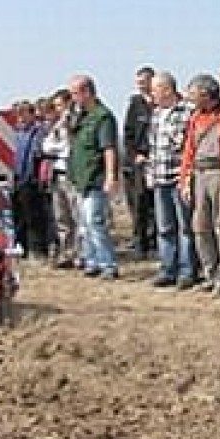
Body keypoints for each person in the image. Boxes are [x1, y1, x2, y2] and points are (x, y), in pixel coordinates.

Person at [179, 74, 220, 296]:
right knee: (201, 227)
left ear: (206, 95)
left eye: (193, 94)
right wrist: (185, 180)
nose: (190, 98)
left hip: (219, 173)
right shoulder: (196, 118)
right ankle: (210, 272)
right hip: (199, 174)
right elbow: (189, 150)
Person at [68, 75, 120, 279]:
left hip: (95, 177)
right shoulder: (81, 117)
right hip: (81, 178)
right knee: (84, 223)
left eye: (75, 93)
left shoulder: (102, 117)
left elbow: (108, 148)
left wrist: (110, 175)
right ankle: (92, 261)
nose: (73, 98)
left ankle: (108, 263)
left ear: (86, 92)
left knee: (95, 221)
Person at [147, 71, 195, 289]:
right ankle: (167, 268)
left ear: (167, 89)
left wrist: (187, 175)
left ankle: (187, 270)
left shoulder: (187, 112)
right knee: (164, 227)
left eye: (155, 89)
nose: (151, 94)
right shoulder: (156, 114)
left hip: (178, 177)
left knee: (185, 226)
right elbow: (153, 147)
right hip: (159, 178)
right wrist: (150, 173)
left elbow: (189, 145)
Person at [41, 88, 82, 269]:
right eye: (55, 106)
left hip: (72, 173)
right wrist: (59, 148)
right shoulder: (57, 125)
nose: (58, 109)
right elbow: (46, 146)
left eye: (60, 105)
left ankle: (80, 254)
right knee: (62, 217)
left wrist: (59, 148)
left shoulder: (76, 121)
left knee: (77, 216)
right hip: (57, 173)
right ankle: (66, 253)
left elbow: (70, 147)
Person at [122, 66, 157, 259]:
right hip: (138, 160)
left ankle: (156, 242)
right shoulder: (135, 104)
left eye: (144, 82)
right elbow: (128, 133)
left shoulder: (161, 103)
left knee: (156, 204)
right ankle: (140, 243)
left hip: (158, 159)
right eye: (139, 83)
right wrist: (135, 155)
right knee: (139, 203)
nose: (141, 86)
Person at [11, 100, 49, 259]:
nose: (20, 117)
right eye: (18, 114)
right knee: (18, 217)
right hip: (16, 179)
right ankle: (21, 248)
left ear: (32, 114)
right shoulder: (15, 133)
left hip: (32, 179)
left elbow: (39, 153)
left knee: (34, 216)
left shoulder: (39, 131)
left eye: (24, 113)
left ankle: (37, 249)